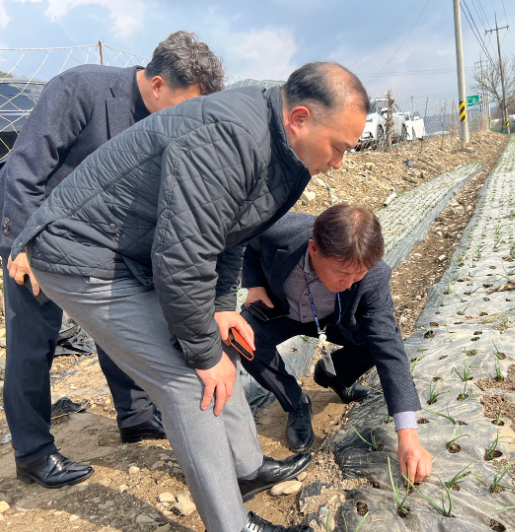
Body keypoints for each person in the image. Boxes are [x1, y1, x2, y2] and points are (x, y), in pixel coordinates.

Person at [9, 61, 368, 532]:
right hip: (80, 252)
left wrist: (220, 309)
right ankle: (232, 525)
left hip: (134, 250)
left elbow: (235, 228)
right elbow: (182, 257)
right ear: (299, 118)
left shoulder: (284, 149)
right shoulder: (230, 137)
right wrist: (200, 350)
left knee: (223, 344)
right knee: (188, 379)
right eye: (338, 146)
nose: (340, 161)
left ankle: (245, 468)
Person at [0, 31, 225, 490]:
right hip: (39, 235)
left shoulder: (169, 123)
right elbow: (23, 170)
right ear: (158, 85)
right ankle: (33, 452)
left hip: (105, 242)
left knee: (124, 329)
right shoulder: (81, 89)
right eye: (186, 107)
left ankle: (137, 416)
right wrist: (21, 245)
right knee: (33, 341)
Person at [239, 205, 432, 484]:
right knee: (244, 336)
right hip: (283, 310)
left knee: (376, 340)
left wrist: (409, 435)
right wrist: (254, 285)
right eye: (342, 272)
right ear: (313, 250)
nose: (350, 282)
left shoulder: (374, 276)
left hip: (334, 320)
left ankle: (336, 375)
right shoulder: (278, 231)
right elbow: (247, 243)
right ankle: (296, 401)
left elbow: (389, 345)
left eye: (358, 274)